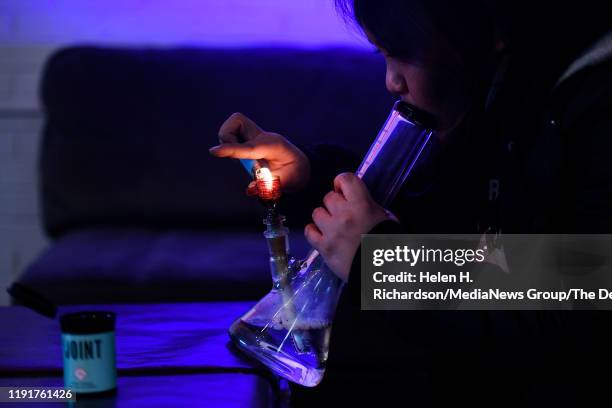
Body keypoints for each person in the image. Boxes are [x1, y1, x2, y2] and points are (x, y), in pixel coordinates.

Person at [210, 0, 612, 405]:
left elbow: (582, 289)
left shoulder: (594, 97)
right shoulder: (505, 87)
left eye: (402, 53)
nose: (392, 82)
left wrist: (379, 262)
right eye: (383, 55)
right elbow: (446, 211)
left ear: (474, 32)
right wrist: (310, 175)